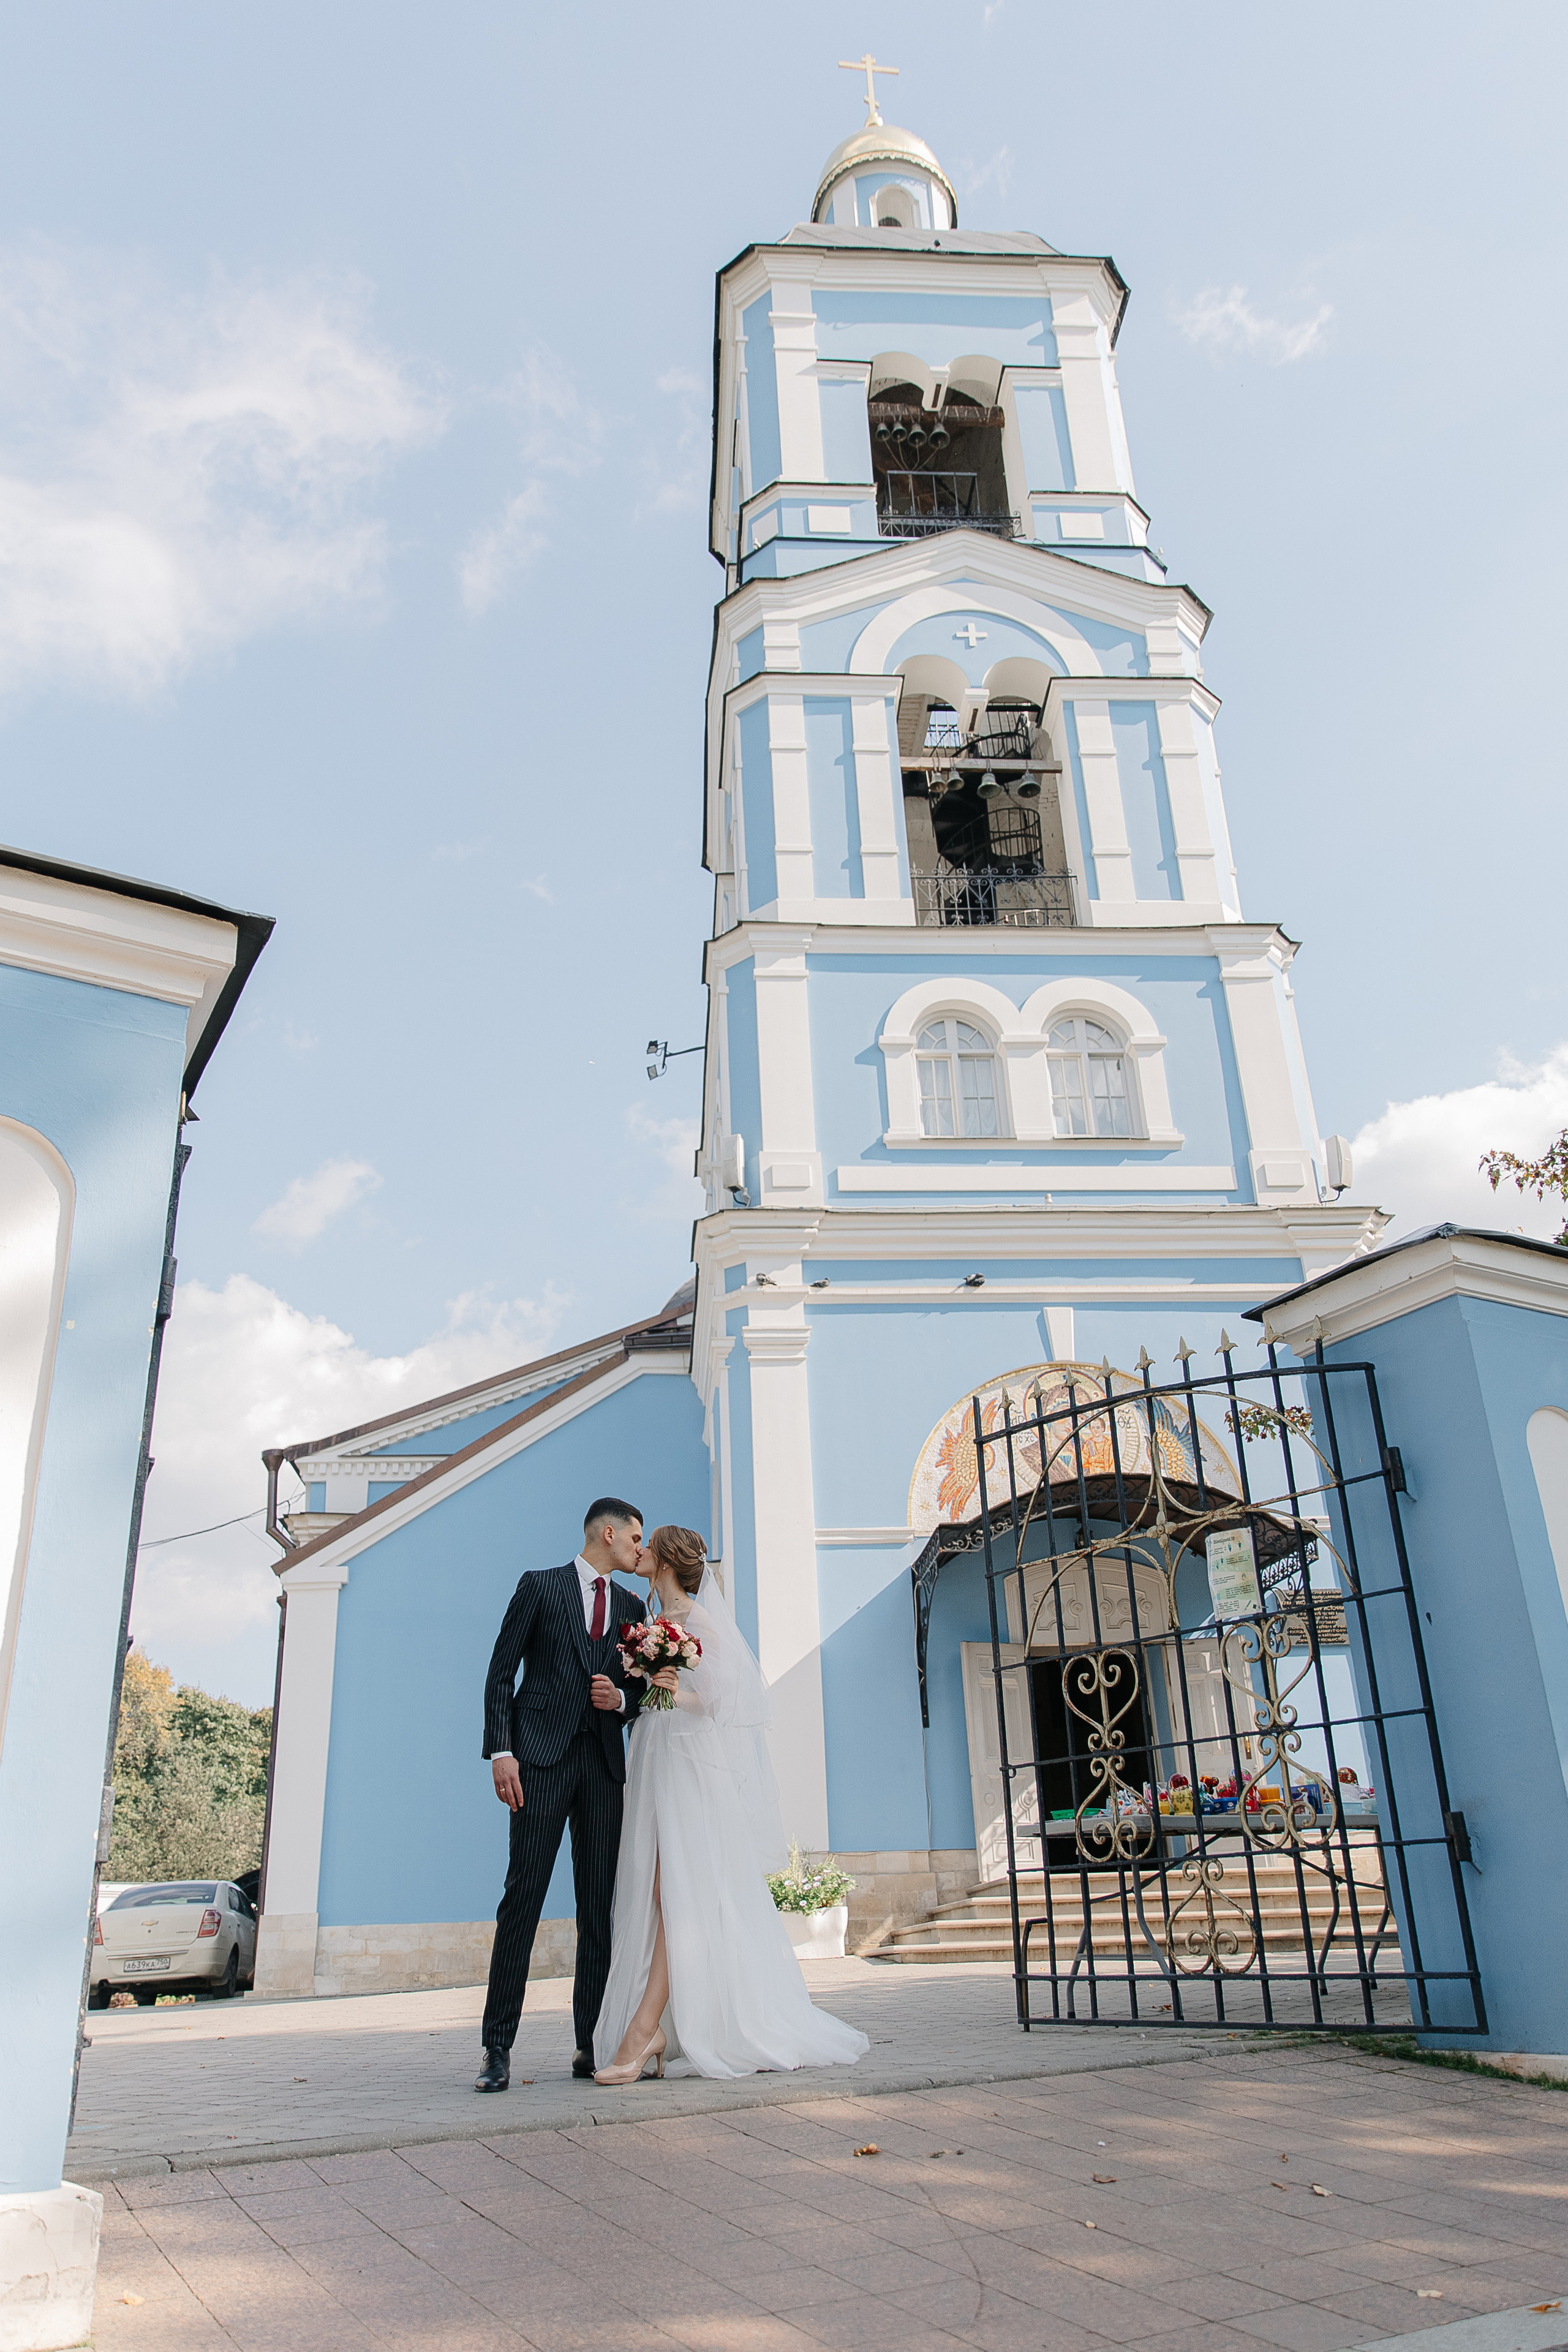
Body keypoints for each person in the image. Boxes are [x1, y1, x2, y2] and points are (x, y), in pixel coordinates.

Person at [592, 1523, 869, 2083]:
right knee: (655, 1888)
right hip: (654, 1754)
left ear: (667, 1561)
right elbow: (659, 1694)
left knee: (676, 1890)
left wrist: (671, 1690)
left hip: (687, 1763)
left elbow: (728, 1701)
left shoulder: (698, 1620)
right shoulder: (652, 1622)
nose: (638, 1551)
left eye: (648, 1546)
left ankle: (646, 2030)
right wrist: (645, 1684)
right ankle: (659, 2025)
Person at [473, 1496, 648, 2093]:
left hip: (602, 1768)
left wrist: (620, 1702)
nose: (639, 1551)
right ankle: (496, 2049)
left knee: (597, 1909)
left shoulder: (633, 1606)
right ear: (607, 1534)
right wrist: (502, 1751)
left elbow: (643, 1692)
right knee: (521, 1900)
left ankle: (589, 2043)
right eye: (634, 1540)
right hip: (539, 1764)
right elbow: (501, 1673)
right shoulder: (539, 1587)